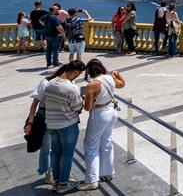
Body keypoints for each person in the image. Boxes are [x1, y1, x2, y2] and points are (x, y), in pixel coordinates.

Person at [78, 59, 126, 191]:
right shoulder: (109, 78)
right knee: (107, 142)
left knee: (91, 146)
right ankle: (108, 172)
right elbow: (122, 84)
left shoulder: (92, 85)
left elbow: (87, 108)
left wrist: (84, 97)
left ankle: (92, 180)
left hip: (99, 114)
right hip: (111, 111)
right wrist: (117, 74)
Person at [23, 66, 73, 187]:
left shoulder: (69, 83)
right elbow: (34, 104)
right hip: (44, 116)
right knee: (47, 147)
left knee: (58, 148)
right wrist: (30, 122)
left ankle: (58, 173)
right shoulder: (45, 83)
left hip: (60, 116)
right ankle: (47, 173)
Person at [44, 60, 86, 194]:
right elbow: (78, 107)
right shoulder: (71, 88)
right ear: (75, 72)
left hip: (51, 123)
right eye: (78, 74)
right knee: (67, 155)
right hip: (67, 125)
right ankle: (63, 184)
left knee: (55, 153)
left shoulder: (50, 83)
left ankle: (57, 182)